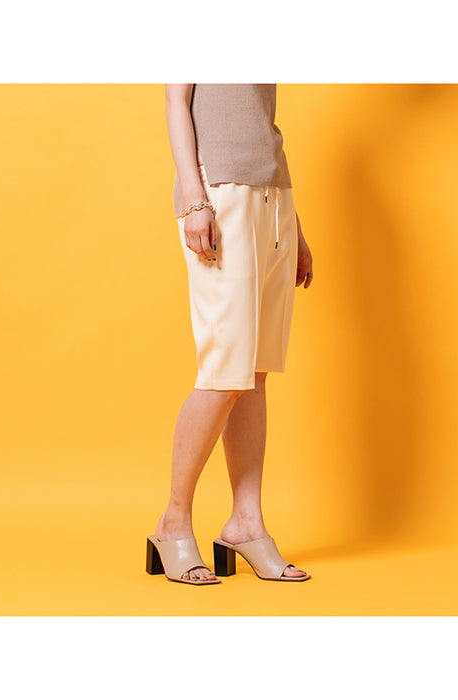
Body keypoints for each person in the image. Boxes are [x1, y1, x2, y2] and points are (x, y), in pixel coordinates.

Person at [146, 84, 313, 585]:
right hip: (219, 196)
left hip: (273, 198)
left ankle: (246, 523)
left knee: (254, 373)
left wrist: (294, 225)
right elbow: (176, 102)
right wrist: (194, 198)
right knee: (224, 371)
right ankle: (173, 522)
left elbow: (257, 121)